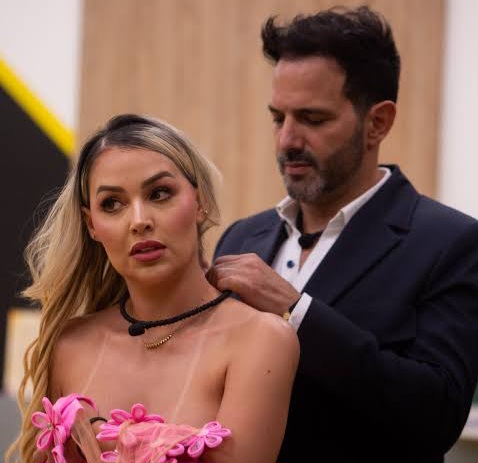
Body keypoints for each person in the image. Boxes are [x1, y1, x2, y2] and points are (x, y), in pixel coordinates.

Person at [208, 5, 478, 463]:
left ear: (378, 123)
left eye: (312, 119)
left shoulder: (451, 243)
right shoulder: (241, 238)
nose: (287, 140)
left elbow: (435, 415)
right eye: (278, 118)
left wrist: (296, 311)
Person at [6, 114, 299, 463]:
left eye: (160, 194)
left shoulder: (260, 339)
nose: (139, 220)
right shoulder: (70, 344)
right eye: (112, 204)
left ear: (200, 202)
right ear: (91, 224)